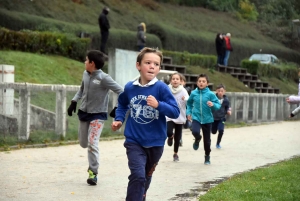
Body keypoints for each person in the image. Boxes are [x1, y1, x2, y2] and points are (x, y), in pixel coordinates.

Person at [111, 47, 180, 201]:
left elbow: (175, 112)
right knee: (137, 175)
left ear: (159, 68)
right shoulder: (130, 87)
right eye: (148, 62)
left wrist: (158, 105)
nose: (152, 66)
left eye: (156, 64)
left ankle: (141, 195)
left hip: (156, 142)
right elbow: (122, 104)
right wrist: (119, 119)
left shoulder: (161, 88)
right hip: (134, 140)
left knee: (146, 176)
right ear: (138, 65)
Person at [67, 50, 123, 185]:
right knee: (83, 143)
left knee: (92, 142)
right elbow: (81, 89)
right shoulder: (85, 74)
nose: (85, 62)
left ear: (92, 63)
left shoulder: (104, 78)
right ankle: (92, 165)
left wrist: (117, 107)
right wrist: (74, 101)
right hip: (84, 113)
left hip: (98, 114)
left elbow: (121, 91)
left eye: (86, 60)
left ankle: (93, 172)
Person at [186, 74, 221, 165]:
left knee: (207, 141)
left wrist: (213, 105)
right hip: (196, 117)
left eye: (203, 81)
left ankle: (207, 156)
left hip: (207, 119)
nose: (201, 83)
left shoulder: (210, 94)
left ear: (207, 83)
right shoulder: (193, 93)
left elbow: (218, 105)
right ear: (197, 83)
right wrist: (188, 113)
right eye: (199, 81)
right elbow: (189, 104)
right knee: (195, 131)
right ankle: (197, 138)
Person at [166, 73, 189, 161]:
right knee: (168, 131)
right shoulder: (167, 89)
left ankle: (175, 154)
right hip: (170, 115)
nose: (175, 80)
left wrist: (185, 99)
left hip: (180, 115)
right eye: (173, 79)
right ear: (171, 81)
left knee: (178, 137)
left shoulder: (183, 90)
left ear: (180, 81)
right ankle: (170, 136)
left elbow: (189, 101)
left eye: (177, 79)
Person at [211, 84, 231, 149]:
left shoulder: (226, 100)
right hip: (214, 118)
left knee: (221, 130)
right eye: (219, 91)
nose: (220, 92)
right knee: (213, 132)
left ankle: (218, 143)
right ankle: (213, 130)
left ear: (224, 91)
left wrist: (228, 111)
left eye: (222, 91)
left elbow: (228, 107)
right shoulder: (213, 98)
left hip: (222, 118)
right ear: (216, 91)